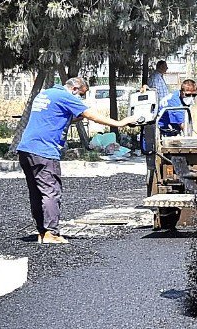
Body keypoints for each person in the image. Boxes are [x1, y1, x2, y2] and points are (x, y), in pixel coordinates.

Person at [18, 77, 142, 244]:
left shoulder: (46, 94)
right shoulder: (65, 96)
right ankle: (51, 233)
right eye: (81, 94)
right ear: (75, 89)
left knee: (36, 192)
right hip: (44, 151)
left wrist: (75, 117)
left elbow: (54, 116)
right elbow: (92, 115)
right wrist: (120, 123)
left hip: (26, 149)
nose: (81, 99)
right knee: (51, 191)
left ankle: (42, 231)